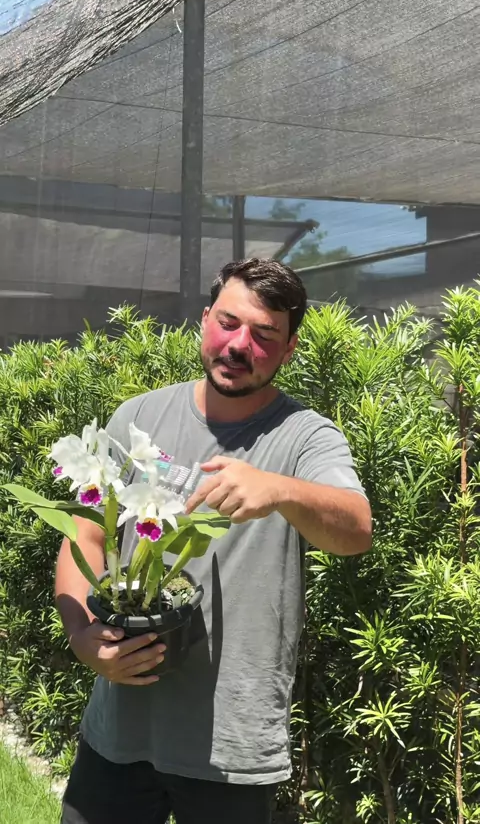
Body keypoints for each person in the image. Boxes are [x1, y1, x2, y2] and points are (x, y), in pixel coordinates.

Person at [56, 258, 372, 824]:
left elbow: (356, 529)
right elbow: (85, 533)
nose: (239, 344)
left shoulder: (305, 437)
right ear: (205, 320)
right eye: (228, 323)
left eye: (265, 335)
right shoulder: (139, 416)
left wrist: (280, 490)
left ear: (289, 348)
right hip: (120, 728)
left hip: (231, 747)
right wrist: (81, 635)